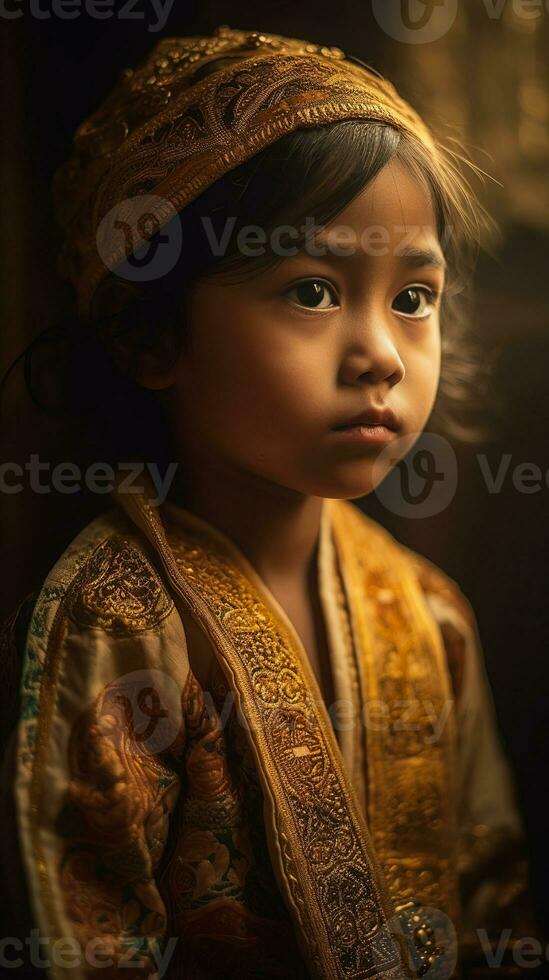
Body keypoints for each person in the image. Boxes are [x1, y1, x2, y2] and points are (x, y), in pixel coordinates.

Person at [0, 25, 534, 980]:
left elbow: (493, 905)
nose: (379, 351)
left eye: (414, 298)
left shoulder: (432, 615)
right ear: (151, 339)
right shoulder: (115, 626)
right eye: (315, 290)